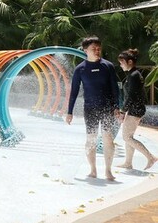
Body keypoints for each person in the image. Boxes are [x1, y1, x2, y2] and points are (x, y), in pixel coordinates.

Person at [66, 36, 121, 181]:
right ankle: (93, 169)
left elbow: (115, 88)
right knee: (91, 139)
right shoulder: (80, 69)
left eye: (98, 48)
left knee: (108, 138)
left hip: (107, 108)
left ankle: (108, 170)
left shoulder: (107, 66)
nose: (97, 51)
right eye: (93, 49)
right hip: (90, 108)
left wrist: (117, 106)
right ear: (85, 50)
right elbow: (74, 91)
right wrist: (69, 111)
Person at [116, 48, 156, 170]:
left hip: (135, 110)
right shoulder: (133, 74)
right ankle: (128, 163)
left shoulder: (134, 76)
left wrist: (123, 111)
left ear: (129, 62)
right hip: (135, 109)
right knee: (128, 136)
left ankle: (150, 157)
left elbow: (131, 96)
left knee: (127, 137)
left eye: (122, 62)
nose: (120, 65)